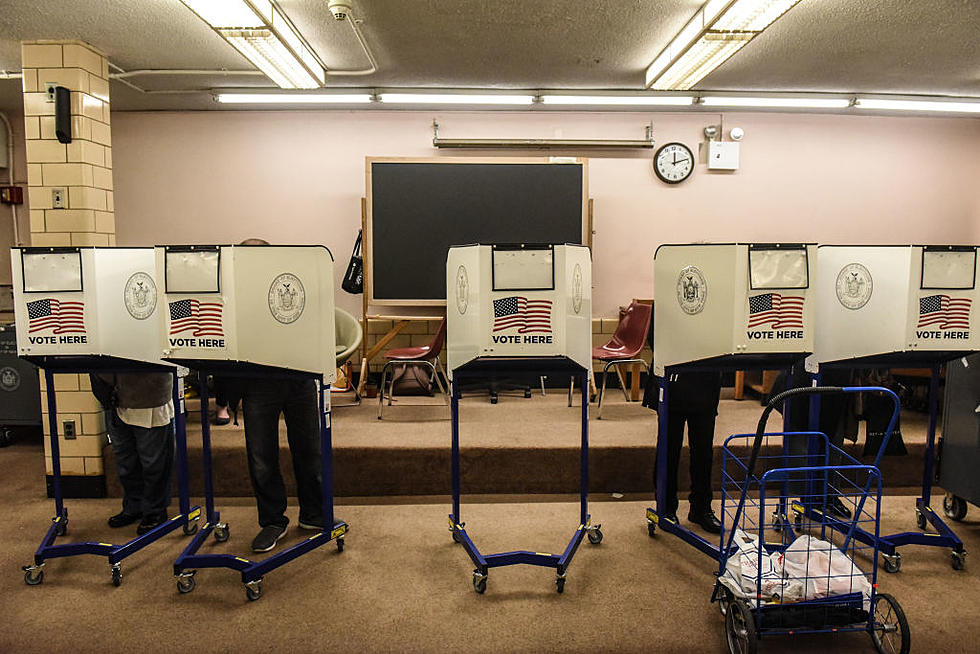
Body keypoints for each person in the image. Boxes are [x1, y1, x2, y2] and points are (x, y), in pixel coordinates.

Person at [238, 238, 325, 553]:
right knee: (262, 457)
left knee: (310, 450)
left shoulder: (291, 283)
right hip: (257, 383)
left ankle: (314, 515)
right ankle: (272, 521)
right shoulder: (238, 295)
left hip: (298, 377)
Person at [642, 314, 722, 534]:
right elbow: (655, 337)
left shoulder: (719, 294)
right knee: (669, 449)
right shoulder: (667, 288)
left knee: (704, 451)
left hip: (706, 378)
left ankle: (701, 508)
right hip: (672, 379)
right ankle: (666, 507)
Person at [92, 372, 175, 535]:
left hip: (148, 395)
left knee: (153, 463)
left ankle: (155, 511)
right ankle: (134, 506)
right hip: (112, 396)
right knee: (125, 461)